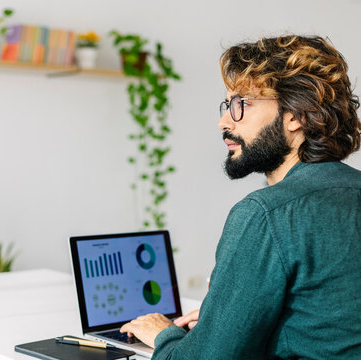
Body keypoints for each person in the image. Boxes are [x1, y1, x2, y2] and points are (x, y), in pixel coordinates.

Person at [120, 35, 361, 359]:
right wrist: (222, 320)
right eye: (227, 105)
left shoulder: (266, 214)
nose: (223, 122)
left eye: (241, 104)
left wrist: (165, 335)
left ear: (296, 115)